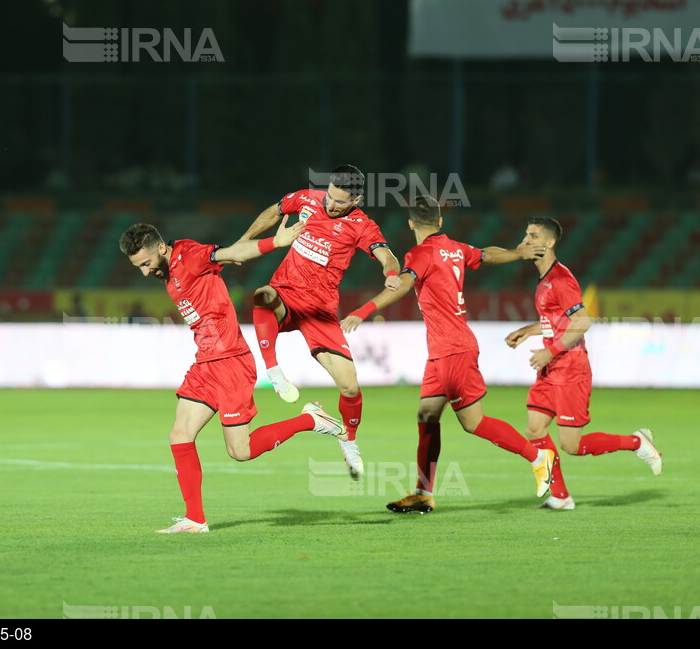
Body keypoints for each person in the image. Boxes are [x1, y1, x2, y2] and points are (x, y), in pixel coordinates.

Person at [119, 218, 348, 534]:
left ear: (161, 247)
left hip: (230, 363)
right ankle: (195, 520)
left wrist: (275, 243)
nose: (145, 271)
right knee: (179, 434)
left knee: (240, 451)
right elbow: (224, 259)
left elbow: (229, 254)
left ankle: (310, 419)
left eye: (146, 263)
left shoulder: (189, 255)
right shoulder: (168, 270)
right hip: (205, 363)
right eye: (138, 267)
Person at [341, 196, 555, 511]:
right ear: (440, 221)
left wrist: (363, 310)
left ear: (411, 223)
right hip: (444, 350)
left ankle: (538, 457)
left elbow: (401, 284)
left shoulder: (419, 253)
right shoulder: (455, 247)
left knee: (473, 422)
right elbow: (487, 255)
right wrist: (518, 253)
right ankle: (423, 493)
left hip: (452, 350)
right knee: (427, 415)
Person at [238, 165, 401, 480]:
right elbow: (273, 212)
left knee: (350, 386)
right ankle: (274, 371)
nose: (331, 204)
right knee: (262, 295)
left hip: (322, 312)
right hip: (286, 295)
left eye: (340, 202)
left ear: (357, 199)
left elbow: (386, 254)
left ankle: (349, 442)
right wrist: (244, 242)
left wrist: (390, 272)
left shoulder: (361, 225)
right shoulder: (307, 199)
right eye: (331, 196)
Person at [504, 217, 662, 510]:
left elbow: (582, 322)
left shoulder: (561, 279)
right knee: (536, 429)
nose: (526, 240)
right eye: (525, 234)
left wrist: (549, 352)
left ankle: (637, 442)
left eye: (533, 236)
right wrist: (528, 331)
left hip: (570, 369)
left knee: (571, 445)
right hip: (551, 370)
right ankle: (560, 496)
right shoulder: (544, 281)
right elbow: (556, 322)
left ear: (550, 243)